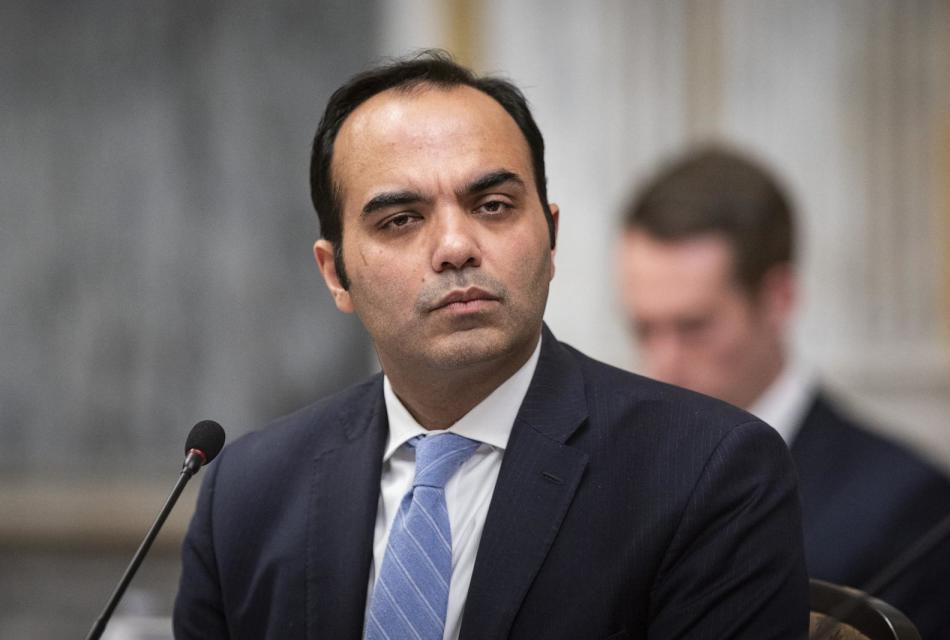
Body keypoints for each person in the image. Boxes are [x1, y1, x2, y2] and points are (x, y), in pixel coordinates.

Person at [173, 52, 807, 639]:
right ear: (336, 274)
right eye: (400, 220)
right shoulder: (247, 492)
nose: (456, 247)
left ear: (550, 239)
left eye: (494, 205)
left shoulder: (706, 471)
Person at [617, 146, 950, 638]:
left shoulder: (909, 508)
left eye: (693, 327)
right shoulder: (618, 477)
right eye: (644, 329)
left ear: (778, 299)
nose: (661, 364)